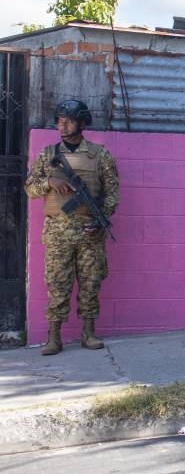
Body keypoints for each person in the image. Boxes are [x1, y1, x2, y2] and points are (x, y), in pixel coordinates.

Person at [24, 99, 120, 356]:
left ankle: (88, 333)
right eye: (59, 121)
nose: (62, 125)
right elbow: (30, 188)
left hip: (90, 231)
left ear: (81, 122)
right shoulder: (48, 154)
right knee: (57, 284)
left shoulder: (99, 156)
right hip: (58, 232)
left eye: (68, 120)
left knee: (91, 282)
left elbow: (112, 194)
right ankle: (53, 337)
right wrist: (49, 181)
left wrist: (101, 220)